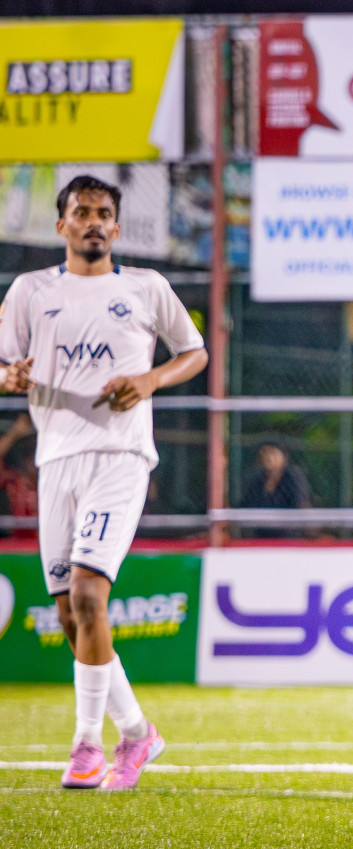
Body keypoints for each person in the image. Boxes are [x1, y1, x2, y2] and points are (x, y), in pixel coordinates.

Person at [0, 174, 208, 789]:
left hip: (121, 456)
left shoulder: (145, 287)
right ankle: (139, 735)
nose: (92, 222)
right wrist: (10, 378)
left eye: (103, 214)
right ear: (61, 225)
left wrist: (149, 381)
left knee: (90, 595)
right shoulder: (31, 290)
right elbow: (5, 365)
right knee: (70, 617)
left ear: (116, 228)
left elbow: (192, 351)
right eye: (81, 212)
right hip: (56, 459)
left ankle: (86, 745)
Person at [0, 414, 39, 539]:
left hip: (54, 539)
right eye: (30, 456)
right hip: (21, 544)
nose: (33, 461)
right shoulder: (15, 481)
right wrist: (16, 432)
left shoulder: (57, 480)